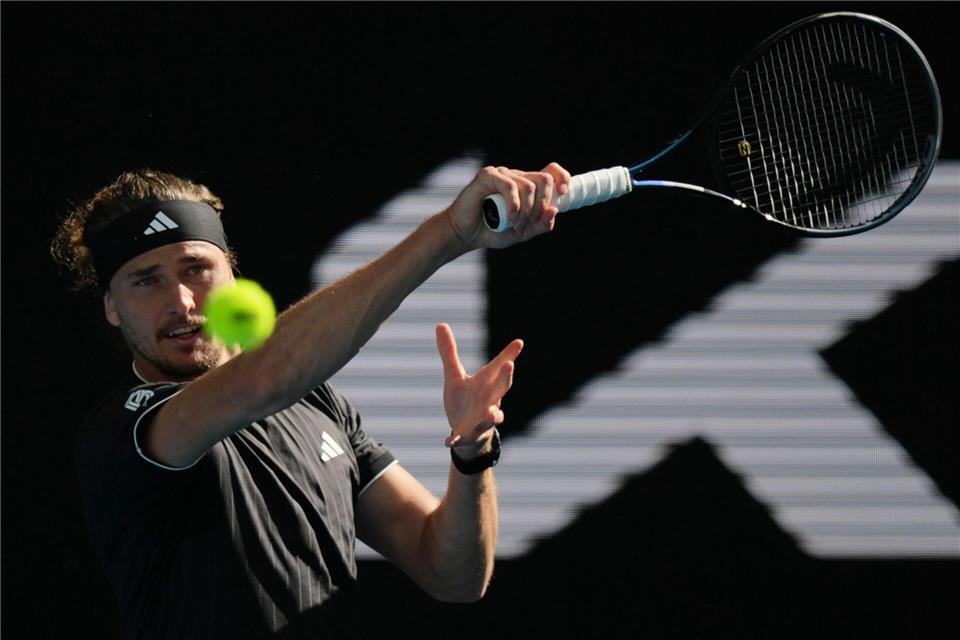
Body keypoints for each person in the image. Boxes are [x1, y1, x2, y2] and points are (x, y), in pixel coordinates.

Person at [50, 163, 571, 639]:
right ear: (112, 309)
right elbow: (263, 381)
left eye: (194, 269)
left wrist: (473, 451)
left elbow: (452, 574)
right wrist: (449, 233)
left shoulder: (318, 404)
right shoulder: (124, 433)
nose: (181, 301)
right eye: (147, 281)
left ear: (231, 274)